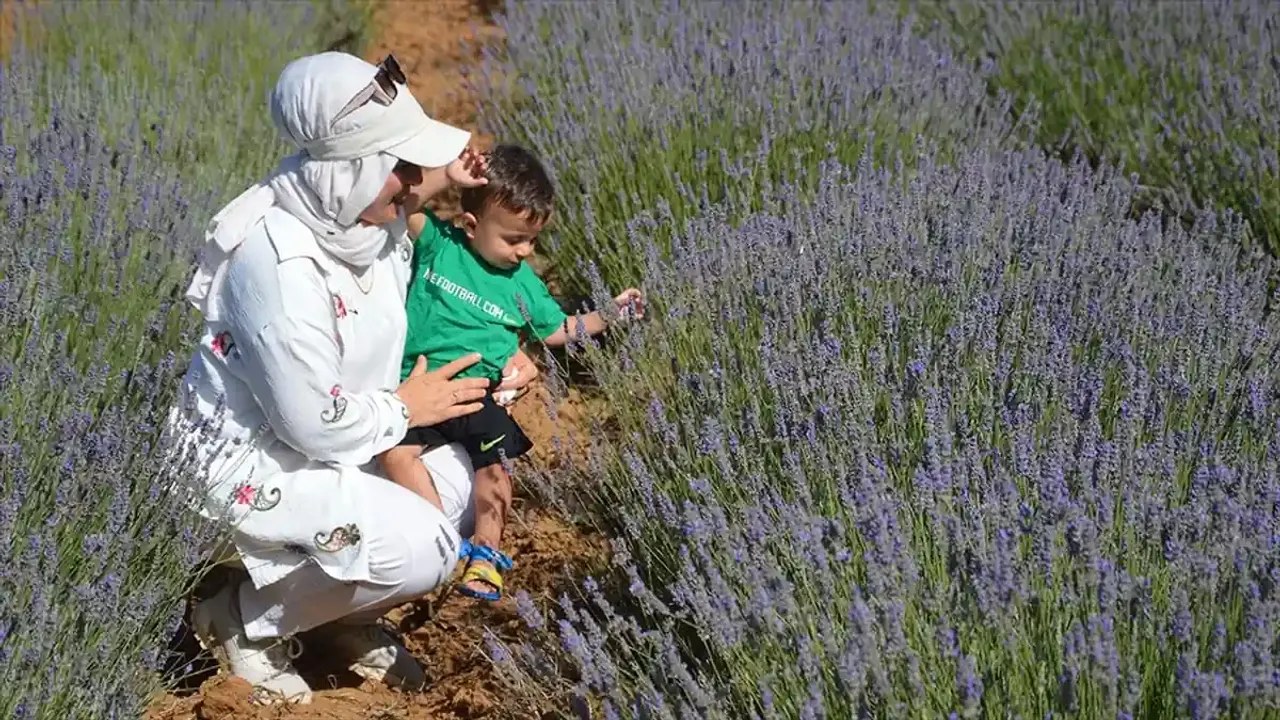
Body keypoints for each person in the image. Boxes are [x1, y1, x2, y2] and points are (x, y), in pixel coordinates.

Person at [164, 51, 537, 705]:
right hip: (248, 471)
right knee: (425, 544)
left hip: (336, 441)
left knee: (456, 465)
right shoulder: (277, 264)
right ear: (353, 172)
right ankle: (242, 619)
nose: (414, 184)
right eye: (402, 167)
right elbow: (310, 423)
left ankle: (334, 617)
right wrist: (404, 406)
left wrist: (502, 360)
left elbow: (427, 242)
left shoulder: (359, 220)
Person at [378, 144, 644, 602]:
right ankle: (436, 538)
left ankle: (485, 553)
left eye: (533, 241)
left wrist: (608, 316)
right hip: (417, 385)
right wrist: (448, 176)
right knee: (397, 456)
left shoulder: (522, 284)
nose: (524, 251)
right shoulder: (440, 244)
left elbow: (559, 329)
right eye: (513, 239)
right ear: (471, 225)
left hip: (475, 392)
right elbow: (402, 207)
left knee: (496, 467)